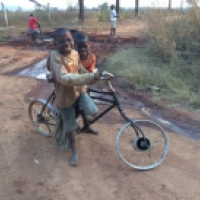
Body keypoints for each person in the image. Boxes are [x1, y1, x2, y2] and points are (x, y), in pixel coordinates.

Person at [46, 27, 101, 166]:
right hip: (65, 97)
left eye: (69, 39)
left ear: (73, 40)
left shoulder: (75, 53)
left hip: (78, 91)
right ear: (55, 44)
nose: (66, 43)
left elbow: (80, 70)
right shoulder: (56, 57)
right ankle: (74, 151)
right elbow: (64, 78)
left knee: (91, 110)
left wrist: (98, 75)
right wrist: (90, 77)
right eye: (61, 41)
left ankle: (86, 126)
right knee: (70, 127)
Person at [73, 31, 99, 135]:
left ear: (89, 45)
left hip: (82, 85)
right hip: (69, 86)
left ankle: (86, 126)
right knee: (72, 110)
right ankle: (67, 128)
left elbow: (90, 73)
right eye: (79, 47)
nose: (82, 50)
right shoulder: (71, 57)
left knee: (85, 108)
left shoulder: (92, 57)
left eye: (85, 46)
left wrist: (95, 77)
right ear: (73, 46)